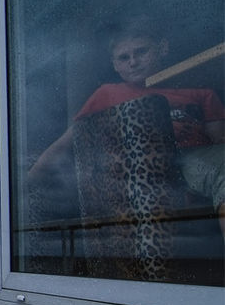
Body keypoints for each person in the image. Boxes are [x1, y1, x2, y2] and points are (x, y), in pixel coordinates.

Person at [29, 16, 225, 232]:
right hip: (141, 172)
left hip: (192, 158)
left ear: (163, 48)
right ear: (115, 65)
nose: (133, 62)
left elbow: (218, 144)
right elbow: (66, 143)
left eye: (141, 52)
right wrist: (27, 182)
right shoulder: (106, 94)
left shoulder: (199, 92)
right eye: (124, 57)